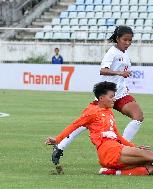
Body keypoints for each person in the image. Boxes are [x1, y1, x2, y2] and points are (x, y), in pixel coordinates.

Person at [45, 81, 153, 177]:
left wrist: (134, 147)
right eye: (111, 96)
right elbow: (74, 126)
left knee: (150, 168)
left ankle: (112, 172)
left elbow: (119, 136)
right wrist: (57, 140)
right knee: (150, 155)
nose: (114, 99)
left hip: (115, 150)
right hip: (108, 151)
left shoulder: (109, 113)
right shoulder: (91, 111)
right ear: (101, 98)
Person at [51, 26, 144, 165]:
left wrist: (123, 83)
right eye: (125, 39)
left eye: (130, 40)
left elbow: (121, 73)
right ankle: (60, 146)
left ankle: (122, 148)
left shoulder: (124, 53)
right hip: (107, 95)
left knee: (138, 116)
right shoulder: (112, 52)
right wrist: (119, 74)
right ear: (118, 39)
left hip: (120, 94)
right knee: (85, 123)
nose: (128, 42)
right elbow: (103, 70)